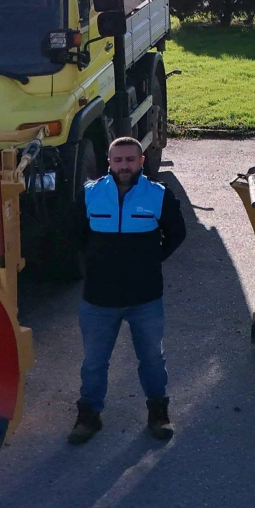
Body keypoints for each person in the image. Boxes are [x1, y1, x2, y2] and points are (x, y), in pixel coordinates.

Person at [68, 136, 187, 445]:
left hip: (145, 299)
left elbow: (177, 233)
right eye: (118, 160)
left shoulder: (159, 195)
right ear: (109, 162)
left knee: (152, 359)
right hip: (98, 300)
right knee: (94, 362)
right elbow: (75, 235)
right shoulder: (90, 195)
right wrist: (97, 263)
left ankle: (158, 414)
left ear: (141, 161)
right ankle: (88, 416)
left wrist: (151, 260)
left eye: (130, 160)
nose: (124, 166)